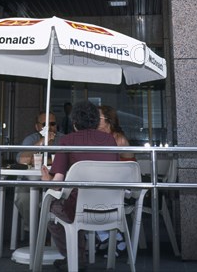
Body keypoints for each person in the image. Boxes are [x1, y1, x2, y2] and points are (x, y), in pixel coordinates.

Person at [40, 100, 120, 272]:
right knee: (76, 203)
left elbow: (57, 184)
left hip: (79, 209)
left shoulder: (67, 140)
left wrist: (46, 180)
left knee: (51, 207)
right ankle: (77, 258)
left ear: (74, 123)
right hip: (112, 207)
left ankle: (74, 258)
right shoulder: (110, 140)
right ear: (95, 121)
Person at [96, 105, 135, 255]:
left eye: (97, 117)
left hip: (124, 188)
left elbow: (113, 169)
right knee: (84, 194)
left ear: (108, 121)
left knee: (88, 194)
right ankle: (110, 237)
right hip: (108, 185)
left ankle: (105, 236)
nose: (93, 120)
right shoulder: (98, 138)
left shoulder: (117, 138)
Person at [15, 111, 64, 230]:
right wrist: (42, 141)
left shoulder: (63, 138)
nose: (50, 127)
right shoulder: (31, 139)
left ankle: (55, 233)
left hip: (57, 182)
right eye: (45, 124)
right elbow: (23, 159)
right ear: (37, 127)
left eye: (52, 124)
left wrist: (40, 160)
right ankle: (35, 231)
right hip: (32, 182)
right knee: (23, 198)